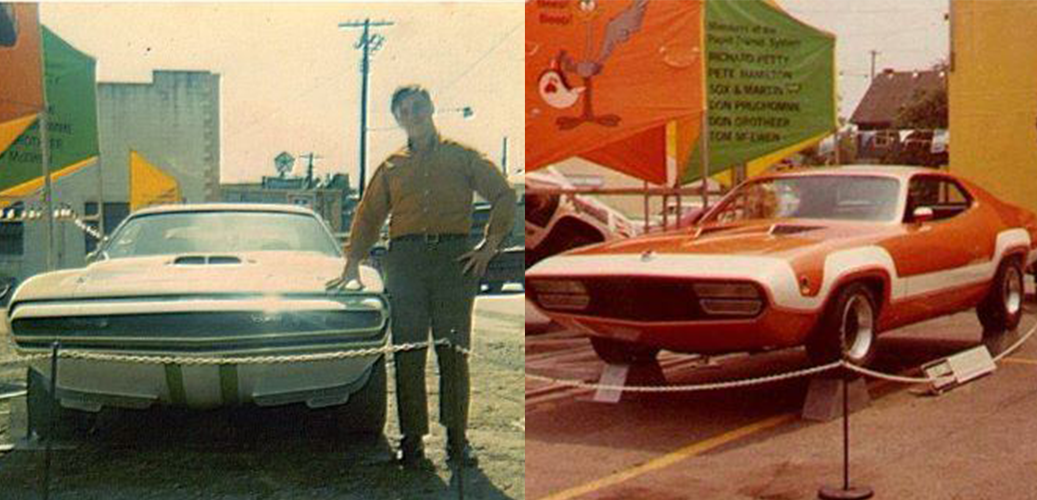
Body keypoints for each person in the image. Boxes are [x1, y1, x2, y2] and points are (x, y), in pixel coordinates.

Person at [327, 85, 516, 468]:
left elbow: (503, 195)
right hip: (406, 261)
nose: (412, 115)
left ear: (430, 109)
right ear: (397, 118)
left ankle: (457, 440)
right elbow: (367, 216)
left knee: (454, 351)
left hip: (453, 260)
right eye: (403, 111)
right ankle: (412, 441)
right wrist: (351, 265)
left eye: (417, 107)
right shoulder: (392, 166)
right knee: (408, 351)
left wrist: (488, 246)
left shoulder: (462, 157)